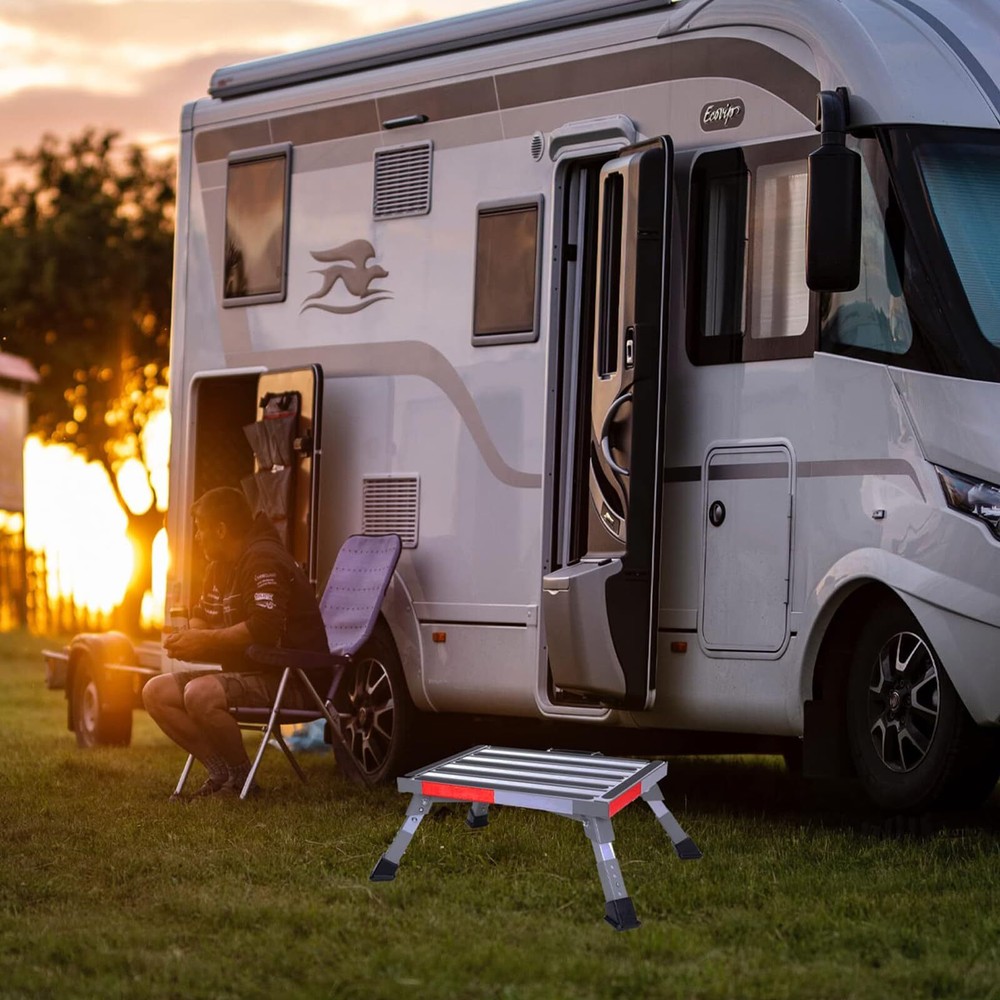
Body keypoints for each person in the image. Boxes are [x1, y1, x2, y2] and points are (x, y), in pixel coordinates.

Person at [143, 487, 328, 800]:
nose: (197, 537)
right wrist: (188, 636)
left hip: (293, 680)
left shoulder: (263, 560)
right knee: (155, 692)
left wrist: (204, 640)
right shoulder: (219, 567)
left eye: (200, 528)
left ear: (220, 530)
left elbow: (264, 629)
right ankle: (221, 773)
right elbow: (204, 615)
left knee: (199, 694)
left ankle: (242, 781)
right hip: (250, 675)